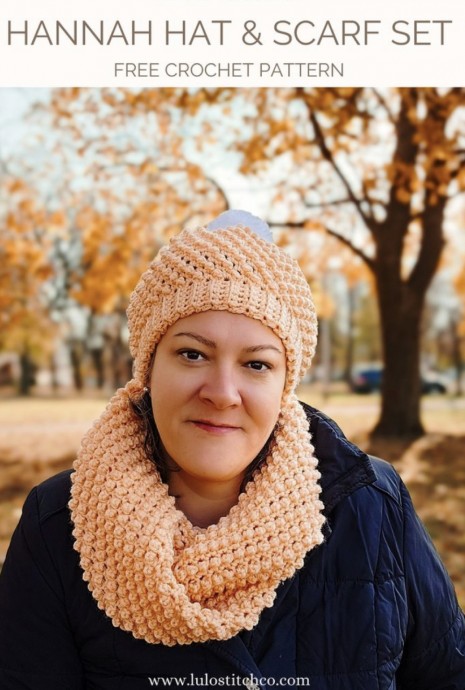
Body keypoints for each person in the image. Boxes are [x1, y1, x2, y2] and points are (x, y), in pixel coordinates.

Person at [0, 210, 464, 690]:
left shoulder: (371, 507)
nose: (222, 392)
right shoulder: (57, 527)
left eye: (257, 364)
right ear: (148, 368)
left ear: (286, 386)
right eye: (192, 354)